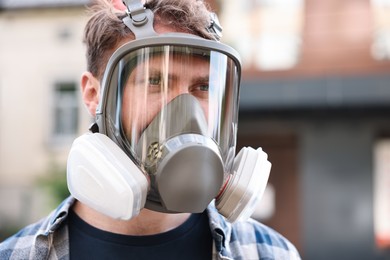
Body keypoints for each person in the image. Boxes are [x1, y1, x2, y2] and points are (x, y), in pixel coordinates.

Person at [0, 0, 301, 259]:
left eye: (203, 86)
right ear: (93, 95)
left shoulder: (270, 253)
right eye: (155, 81)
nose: (187, 111)